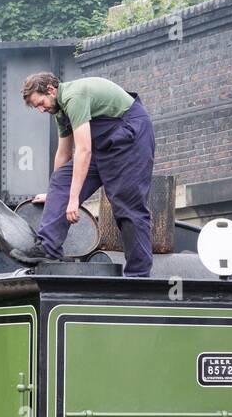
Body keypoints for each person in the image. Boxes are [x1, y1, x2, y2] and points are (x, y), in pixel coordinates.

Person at [20, 72, 156, 276]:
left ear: (50, 89)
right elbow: (64, 153)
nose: (41, 110)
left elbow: (83, 150)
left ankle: (139, 275)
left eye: (40, 103)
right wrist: (57, 195)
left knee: (127, 206)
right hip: (102, 144)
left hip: (130, 138)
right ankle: (48, 248)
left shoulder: (74, 97)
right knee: (61, 180)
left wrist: (74, 200)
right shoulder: (59, 111)